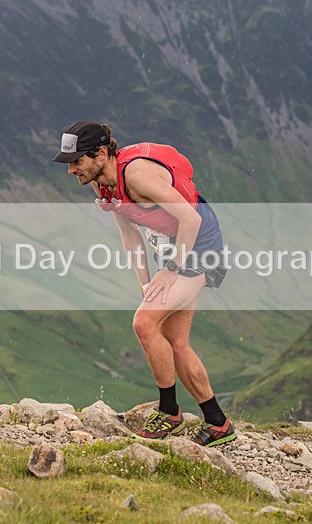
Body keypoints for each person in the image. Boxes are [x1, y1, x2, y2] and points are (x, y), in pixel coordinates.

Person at [52, 120, 236, 447]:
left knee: (144, 323)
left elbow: (190, 218)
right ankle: (218, 422)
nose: (71, 171)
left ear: (100, 153)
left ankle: (169, 413)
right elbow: (131, 237)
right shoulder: (103, 185)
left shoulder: (136, 175)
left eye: (76, 161)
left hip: (201, 246)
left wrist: (170, 270)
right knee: (174, 341)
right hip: (173, 245)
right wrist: (145, 284)